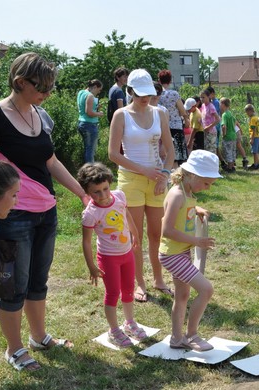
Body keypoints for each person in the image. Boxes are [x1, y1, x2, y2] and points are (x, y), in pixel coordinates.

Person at [0, 52, 90, 371]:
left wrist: (81, 193)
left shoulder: (40, 115)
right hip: (11, 216)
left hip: (46, 211)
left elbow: (50, 161)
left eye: (51, 87)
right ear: (20, 82)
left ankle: (39, 337)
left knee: (38, 281)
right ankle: (14, 349)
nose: (48, 93)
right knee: (14, 286)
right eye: (42, 87)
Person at [108, 68, 175, 303]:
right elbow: (113, 154)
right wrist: (144, 170)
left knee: (157, 233)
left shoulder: (160, 113)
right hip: (131, 180)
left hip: (157, 180)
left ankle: (158, 279)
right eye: (139, 94)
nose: (145, 98)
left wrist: (164, 175)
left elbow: (170, 151)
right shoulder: (121, 115)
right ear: (130, 91)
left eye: (148, 93)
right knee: (135, 235)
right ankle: (139, 283)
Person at [77, 162, 148, 348]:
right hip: (108, 258)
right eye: (96, 192)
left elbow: (126, 215)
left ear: (110, 184)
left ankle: (129, 322)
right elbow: (86, 242)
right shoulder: (90, 214)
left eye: (105, 189)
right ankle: (114, 330)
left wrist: (135, 234)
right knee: (113, 293)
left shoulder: (120, 196)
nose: (103, 195)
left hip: (127, 253)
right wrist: (91, 266)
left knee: (128, 289)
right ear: (87, 192)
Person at [159, 150, 221, 351]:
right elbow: (167, 230)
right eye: (206, 183)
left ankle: (177, 339)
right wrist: (197, 241)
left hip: (181, 252)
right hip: (173, 255)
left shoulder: (187, 193)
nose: (208, 188)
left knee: (182, 296)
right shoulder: (177, 195)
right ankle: (191, 335)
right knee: (206, 289)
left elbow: (183, 212)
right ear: (193, 175)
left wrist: (196, 210)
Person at [158, 70, 190, 166]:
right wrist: (186, 118)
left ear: (159, 80)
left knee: (164, 156)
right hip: (176, 126)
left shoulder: (157, 95)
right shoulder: (174, 94)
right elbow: (182, 110)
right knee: (176, 156)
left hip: (161, 127)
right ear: (170, 80)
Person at [77, 79, 104, 164]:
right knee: (90, 150)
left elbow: (83, 107)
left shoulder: (81, 92)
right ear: (95, 87)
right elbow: (89, 112)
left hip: (81, 123)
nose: (99, 92)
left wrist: (95, 106)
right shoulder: (90, 96)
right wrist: (99, 114)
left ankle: (86, 168)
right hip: (89, 125)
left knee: (87, 148)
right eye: (99, 90)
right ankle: (90, 170)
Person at [199, 89, 221, 155]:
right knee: (206, 150)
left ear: (208, 97)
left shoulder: (211, 106)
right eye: (201, 97)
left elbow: (218, 119)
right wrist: (201, 121)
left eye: (203, 97)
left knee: (211, 150)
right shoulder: (203, 106)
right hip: (205, 131)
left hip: (211, 132)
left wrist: (209, 127)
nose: (202, 99)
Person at [220, 97, 237, 172]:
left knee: (228, 152)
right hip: (233, 135)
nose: (220, 105)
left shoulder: (224, 115)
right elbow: (235, 122)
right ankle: (232, 166)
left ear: (223, 104)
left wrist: (224, 134)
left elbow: (224, 126)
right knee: (232, 151)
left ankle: (229, 168)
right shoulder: (230, 113)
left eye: (220, 104)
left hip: (228, 136)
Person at [245, 104, 259, 170]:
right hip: (258, 136)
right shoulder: (256, 117)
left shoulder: (252, 119)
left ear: (250, 111)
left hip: (254, 137)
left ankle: (255, 165)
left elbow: (253, 129)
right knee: (256, 151)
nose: (246, 114)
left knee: (254, 152)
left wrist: (252, 139)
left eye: (247, 112)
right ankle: (258, 163)